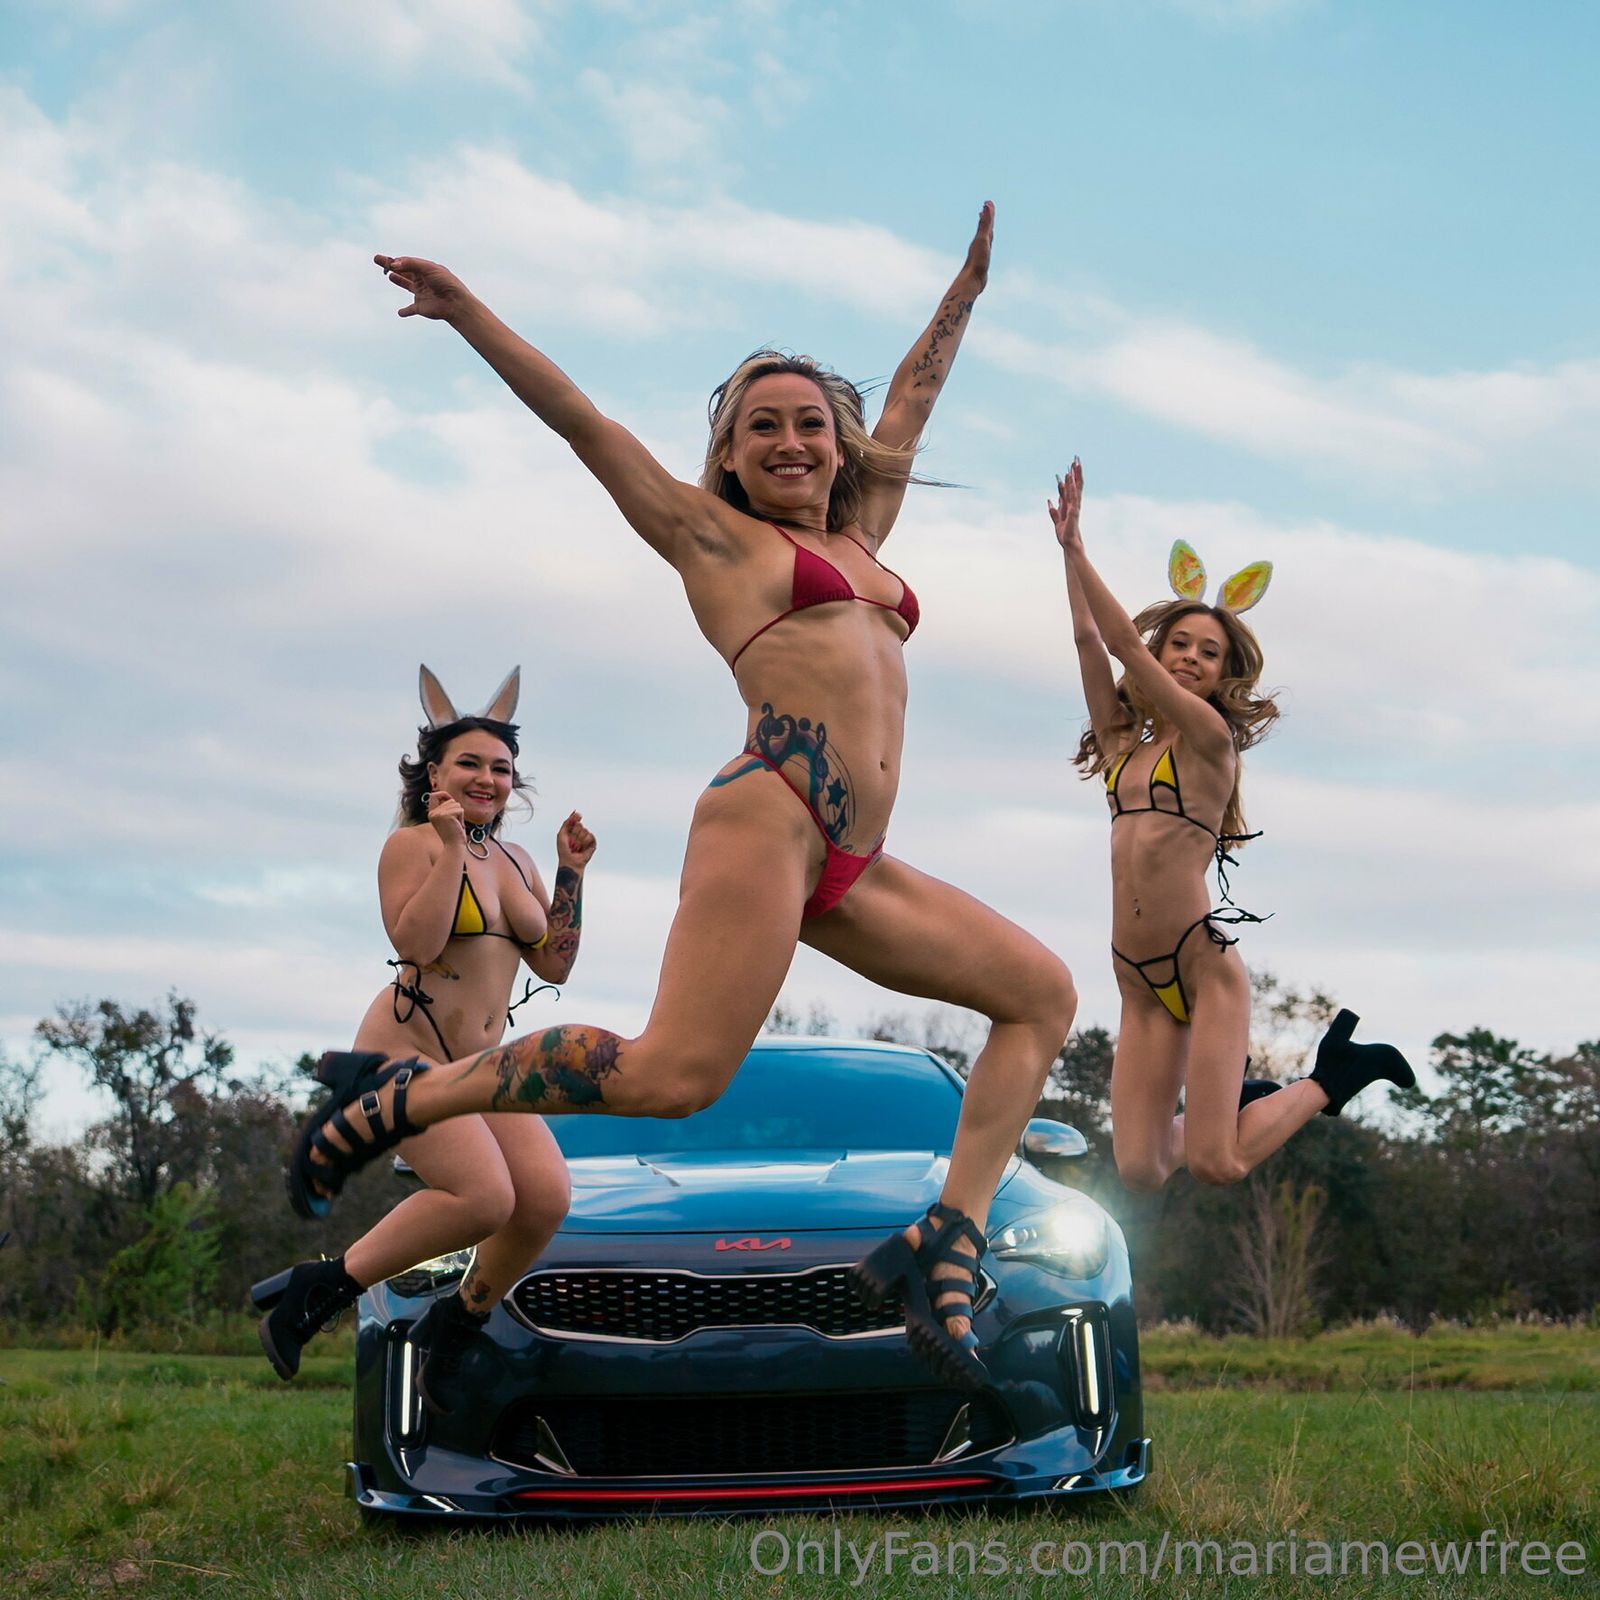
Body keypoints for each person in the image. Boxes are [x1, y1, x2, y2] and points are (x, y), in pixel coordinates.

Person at [284, 203, 1077, 1392]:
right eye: (763, 426)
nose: (791, 442)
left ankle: (941, 1245)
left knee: (1039, 995)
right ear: (729, 455)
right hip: (769, 815)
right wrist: (466, 313)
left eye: (810, 423)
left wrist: (963, 292)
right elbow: (581, 420)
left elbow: (913, 398)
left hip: (852, 856)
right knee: (671, 1077)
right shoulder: (713, 538)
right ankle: (400, 1100)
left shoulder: (866, 537)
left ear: (838, 443)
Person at [1048, 458, 1414, 1194]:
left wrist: (1079, 548)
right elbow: (1093, 643)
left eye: (1207, 652)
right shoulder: (1123, 747)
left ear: (1222, 675)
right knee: (1142, 1169)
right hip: (1136, 976)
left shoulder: (1210, 740)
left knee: (1219, 1163)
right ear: (1164, 651)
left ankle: (1328, 1079)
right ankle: (1236, 1104)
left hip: (1200, 967)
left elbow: (1122, 645)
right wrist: (1065, 560)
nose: (1189, 657)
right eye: (1179, 644)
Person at [255, 665, 595, 1412]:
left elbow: (555, 964)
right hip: (403, 1053)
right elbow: (417, 944)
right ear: (434, 772)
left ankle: (457, 1323)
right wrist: (447, 847)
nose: (487, 778)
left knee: (544, 1198)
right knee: (483, 1196)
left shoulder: (517, 861)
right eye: (470, 763)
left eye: (500, 767)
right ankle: (324, 1286)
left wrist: (570, 873)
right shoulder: (410, 846)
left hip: (483, 1062)